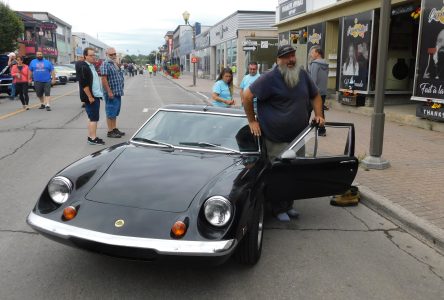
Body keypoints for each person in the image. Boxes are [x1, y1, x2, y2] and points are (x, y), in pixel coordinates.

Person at [243, 45, 325, 222]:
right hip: (276, 138)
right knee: (279, 174)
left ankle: (288, 205)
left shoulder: (302, 75)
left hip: (299, 137)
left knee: (294, 173)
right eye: (286, 57)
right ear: (278, 60)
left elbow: (316, 95)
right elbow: (246, 96)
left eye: (293, 55)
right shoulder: (269, 78)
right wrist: (252, 121)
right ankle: (277, 207)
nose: (291, 59)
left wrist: (319, 115)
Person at [78, 47, 105, 145]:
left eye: (94, 55)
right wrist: (90, 97)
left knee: (91, 118)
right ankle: (93, 139)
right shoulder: (84, 67)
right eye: (91, 55)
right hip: (92, 97)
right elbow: (84, 85)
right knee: (94, 118)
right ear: (85, 56)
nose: (93, 57)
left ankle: (91, 136)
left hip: (95, 95)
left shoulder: (91, 66)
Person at [100, 47, 126, 138]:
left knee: (115, 112)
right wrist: (109, 91)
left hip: (117, 92)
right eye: (111, 54)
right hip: (111, 93)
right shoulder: (105, 64)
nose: (114, 56)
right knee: (110, 112)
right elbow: (103, 79)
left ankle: (114, 129)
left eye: (115, 54)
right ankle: (110, 131)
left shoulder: (113, 64)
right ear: (106, 55)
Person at [308, 46, 329, 136]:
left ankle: (302, 129)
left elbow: (313, 80)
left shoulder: (315, 64)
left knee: (307, 110)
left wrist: (309, 91)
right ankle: (322, 130)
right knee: (320, 111)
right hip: (323, 91)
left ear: (317, 53)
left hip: (315, 92)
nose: (311, 54)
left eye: (312, 53)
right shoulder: (326, 64)